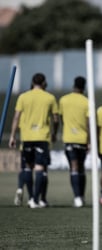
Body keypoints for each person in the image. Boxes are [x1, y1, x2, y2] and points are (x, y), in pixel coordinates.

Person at [9, 73, 59, 208]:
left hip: (27, 137)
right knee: (41, 169)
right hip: (42, 137)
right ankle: (36, 199)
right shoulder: (50, 98)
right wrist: (54, 132)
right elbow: (56, 118)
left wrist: (13, 136)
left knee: (26, 167)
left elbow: (16, 117)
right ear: (44, 83)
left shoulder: (23, 97)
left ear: (32, 82)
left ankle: (30, 197)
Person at [59, 76, 89, 207]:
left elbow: (61, 118)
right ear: (84, 87)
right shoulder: (87, 101)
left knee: (74, 167)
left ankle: (77, 197)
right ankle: (80, 196)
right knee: (81, 167)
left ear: (73, 85)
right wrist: (90, 140)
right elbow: (89, 123)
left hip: (69, 138)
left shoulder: (63, 100)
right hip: (82, 139)